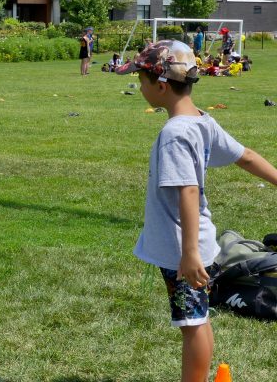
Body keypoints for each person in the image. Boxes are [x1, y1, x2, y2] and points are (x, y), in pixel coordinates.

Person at [116, 40, 277, 382]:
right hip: (197, 243)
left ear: (160, 86)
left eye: (141, 80)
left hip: (183, 250)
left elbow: (187, 191)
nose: (139, 86)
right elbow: (244, 156)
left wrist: (187, 255)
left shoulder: (175, 133)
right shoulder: (201, 121)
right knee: (198, 318)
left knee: (191, 324)